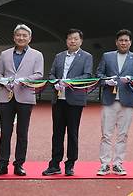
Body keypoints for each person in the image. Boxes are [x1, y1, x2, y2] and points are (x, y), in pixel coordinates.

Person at [0, 24, 44, 177]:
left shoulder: (37, 55)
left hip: (25, 96)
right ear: (14, 37)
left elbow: (39, 74)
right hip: (6, 97)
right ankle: (2, 165)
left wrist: (23, 80)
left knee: (22, 133)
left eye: (24, 35)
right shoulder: (4, 54)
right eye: (18, 35)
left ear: (30, 38)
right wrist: (4, 81)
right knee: (5, 133)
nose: (21, 38)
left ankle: (19, 164)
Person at [42, 28, 93, 176]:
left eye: (75, 39)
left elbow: (87, 76)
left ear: (81, 41)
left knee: (72, 133)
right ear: (66, 40)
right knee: (57, 133)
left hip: (74, 100)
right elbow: (51, 73)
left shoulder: (86, 56)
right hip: (58, 99)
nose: (72, 41)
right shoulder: (59, 56)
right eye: (70, 38)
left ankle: (70, 164)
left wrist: (69, 82)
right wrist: (55, 82)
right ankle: (54, 164)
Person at [94, 29, 133, 176]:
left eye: (126, 40)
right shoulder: (107, 56)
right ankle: (104, 164)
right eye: (121, 40)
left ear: (130, 42)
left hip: (127, 101)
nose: (123, 43)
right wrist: (106, 81)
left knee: (123, 134)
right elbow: (99, 74)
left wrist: (131, 79)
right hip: (109, 100)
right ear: (116, 42)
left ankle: (117, 163)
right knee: (106, 134)